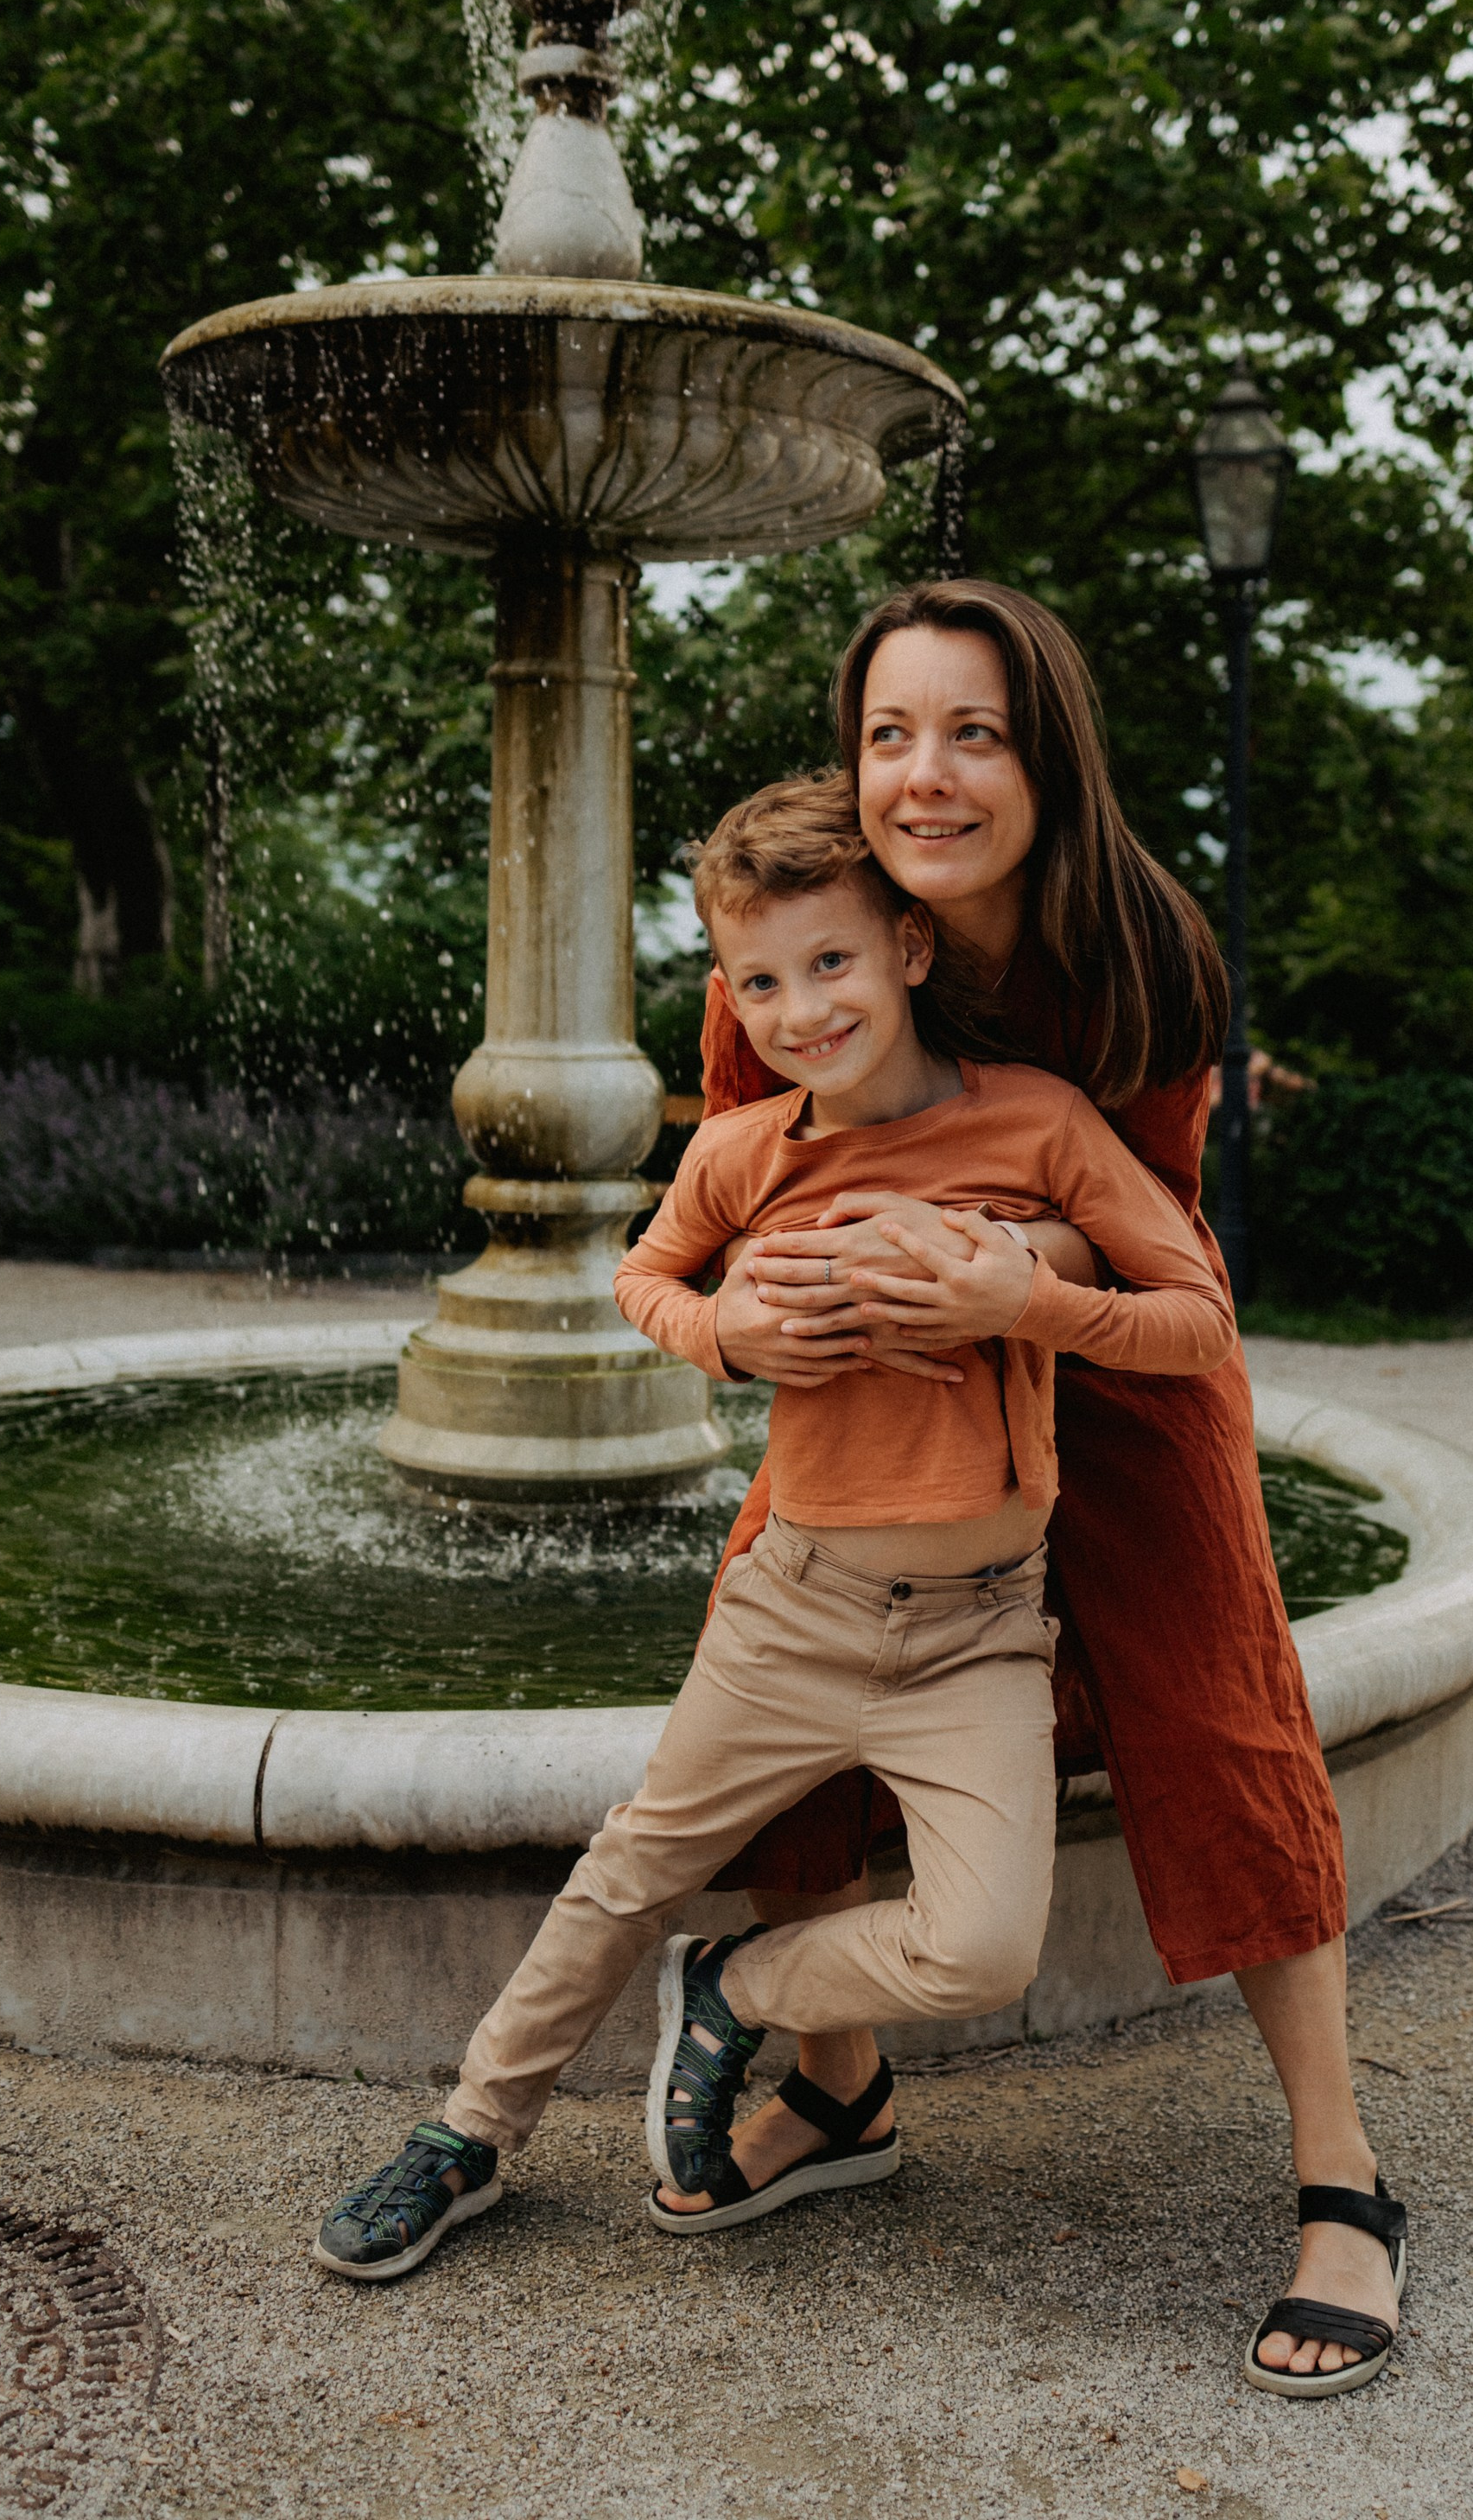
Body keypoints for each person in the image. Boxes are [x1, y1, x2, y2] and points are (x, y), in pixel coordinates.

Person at [309, 773, 1234, 2286]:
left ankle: (740, 1984)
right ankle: (465, 2139)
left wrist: (1029, 1301)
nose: (803, 1007)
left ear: (909, 954)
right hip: (794, 1607)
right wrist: (728, 1332)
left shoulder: (1041, 1126)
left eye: (832, 963)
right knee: (626, 1869)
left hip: (981, 1630)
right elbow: (642, 1277)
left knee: (983, 1948)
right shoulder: (746, 1153)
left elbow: (1199, 1318)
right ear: (729, 988)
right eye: (761, 979)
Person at [676, 580, 1409, 2399]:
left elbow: (1177, 1286)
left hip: (1109, 1365)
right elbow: (728, 1180)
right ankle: (841, 2094)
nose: (926, 776)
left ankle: (1347, 2180)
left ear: (1042, 754)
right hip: (882, 1395)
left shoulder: (1141, 948)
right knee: (791, 1671)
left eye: (973, 732)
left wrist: (1023, 1297)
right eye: (887, 736)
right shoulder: (789, 930)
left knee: (1219, 1716)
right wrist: (732, 1320)